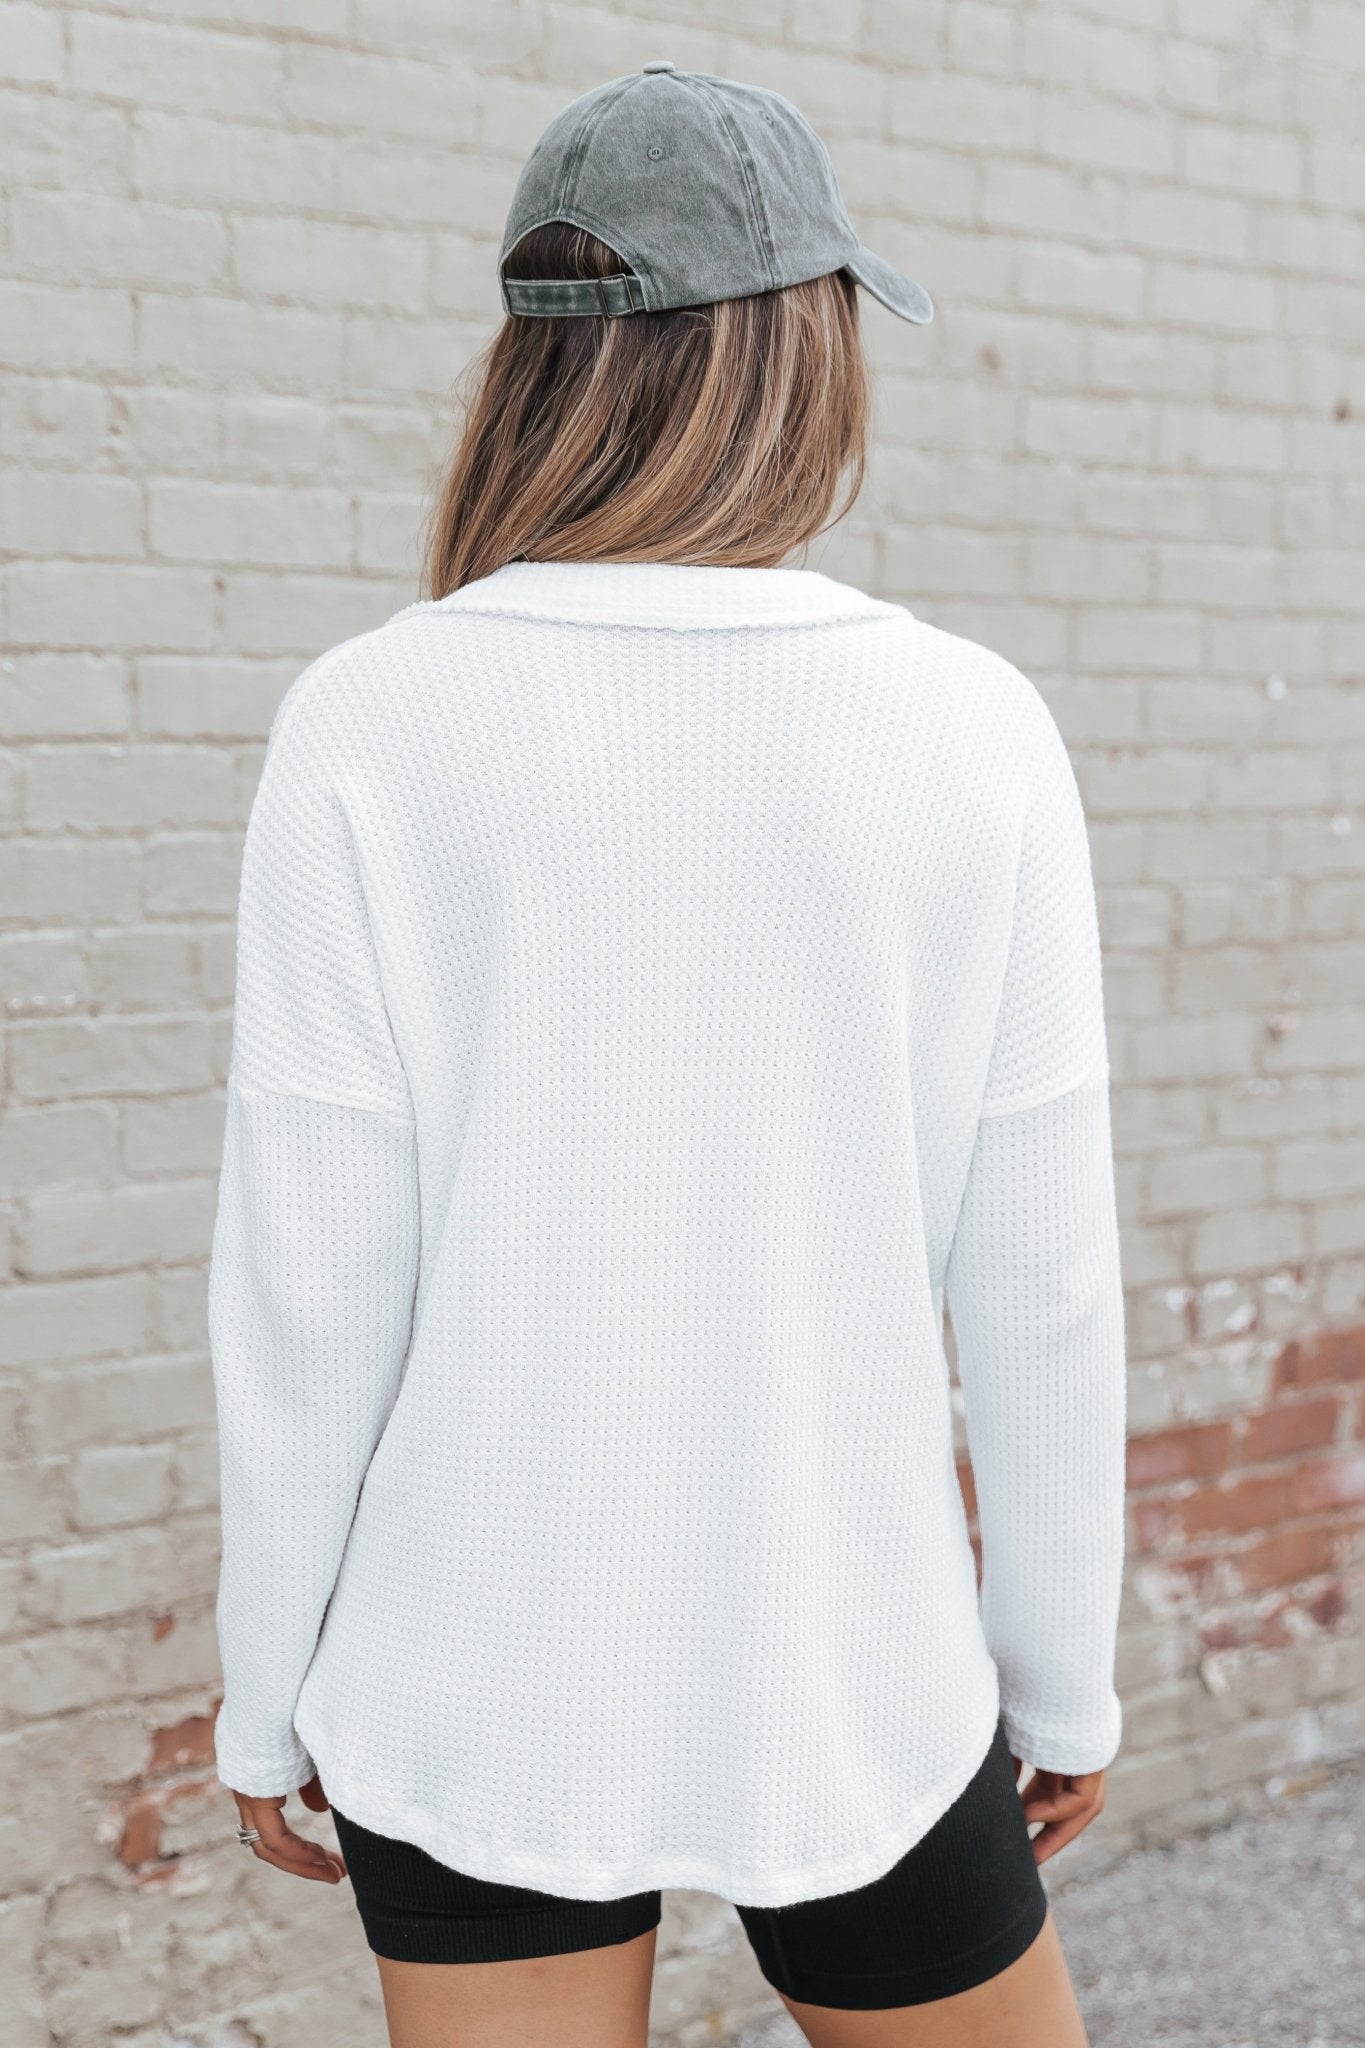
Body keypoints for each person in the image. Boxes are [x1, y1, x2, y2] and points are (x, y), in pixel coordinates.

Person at [208, 61, 1127, 2048]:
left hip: (468, 1670)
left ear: (532, 366)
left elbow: (310, 1285)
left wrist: (265, 1687)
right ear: (804, 353)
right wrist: (1063, 1673)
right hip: (854, 1665)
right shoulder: (969, 728)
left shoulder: (369, 721)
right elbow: (1039, 1279)